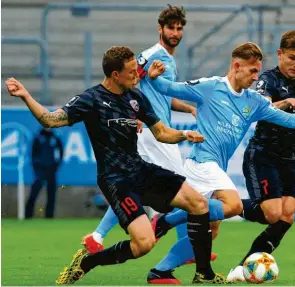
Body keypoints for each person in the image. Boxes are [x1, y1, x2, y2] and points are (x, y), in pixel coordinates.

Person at [6, 46, 227, 284]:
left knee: (198, 203)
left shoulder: (136, 97)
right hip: (115, 180)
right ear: (114, 75)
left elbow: (162, 132)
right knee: (144, 244)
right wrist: (26, 95)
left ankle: (204, 274)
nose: (137, 76)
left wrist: (185, 134)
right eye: (131, 72)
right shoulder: (91, 99)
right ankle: (88, 262)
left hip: (141, 169)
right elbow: (50, 120)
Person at [142, 41, 295, 283]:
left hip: (214, 167)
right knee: (232, 205)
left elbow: (286, 119)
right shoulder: (210, 87)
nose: (256, 77)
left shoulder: (253, 102)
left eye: (258, 71)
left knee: (211, 231)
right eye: (253, 71)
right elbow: (171, 88)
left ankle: (160, 270)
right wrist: (154, 78)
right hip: (201, 162)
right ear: (236, 66)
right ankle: (169, 219)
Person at [80, 8, 216, 276]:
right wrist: (129, 111)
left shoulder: (167, 59)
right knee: (180, 190)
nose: (175, 34)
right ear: (160, 28)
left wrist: (187, 107)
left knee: (169, 191)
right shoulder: (153, 55)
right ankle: (184, 246)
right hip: (154, 136)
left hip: (159, 128)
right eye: (170, 28)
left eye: (179, 29)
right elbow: (125, 79)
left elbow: (161, 95)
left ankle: (98, 237)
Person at [227, 31, 295, 281]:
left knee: (287, 214)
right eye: (292, 57)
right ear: (280, 54)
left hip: (288, 158)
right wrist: (286, 101)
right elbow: (259, 110)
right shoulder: (267, 79)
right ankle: (221, 206)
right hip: (263, 154)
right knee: (273, 214)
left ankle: (243, 268)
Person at [25, 127, 63, 218]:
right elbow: (33, 154)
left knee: (51, 194)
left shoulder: (55, 137)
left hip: (51, 169)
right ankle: (28, 215)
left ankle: (49, 216)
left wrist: (56, 165)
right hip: (40, 169)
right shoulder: (38, 137)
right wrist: (36, 167)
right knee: (34, 192)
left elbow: (61, 152)